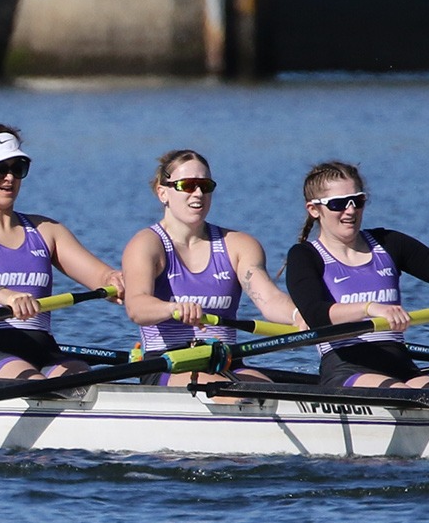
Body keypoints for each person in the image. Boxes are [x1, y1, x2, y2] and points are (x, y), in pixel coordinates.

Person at [284, 161, 429, 389]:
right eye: (338, 204)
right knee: (402, 394)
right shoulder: (304, 256)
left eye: (357, 201)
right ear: (314, 209)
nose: (350, 211)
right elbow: (316, 315)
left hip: (401, 366)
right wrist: (370, 308)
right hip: (345, 367)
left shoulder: (389, 243)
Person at [0, 124, 122, 380]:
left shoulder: (46, 230)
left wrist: (115, 279)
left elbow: (100, 276)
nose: (9, 177)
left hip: (44, 350)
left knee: (85, 383)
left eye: (17, 168)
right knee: (36, 384)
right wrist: (3, 295)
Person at [121, 148, 299, 386]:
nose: (198, 193)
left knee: (272, 394)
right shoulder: (146, 244)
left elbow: (269, 299)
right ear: (162, 192)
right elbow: (137, 307)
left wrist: (300, 316)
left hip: (224, 362)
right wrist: (172, 308)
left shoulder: (239, 245)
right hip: (167, 364)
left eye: (205, 186)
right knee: (229, 393)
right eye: (188, 185)